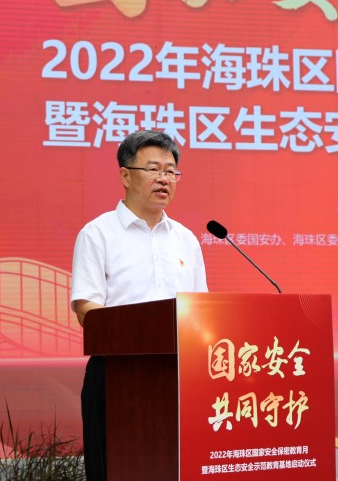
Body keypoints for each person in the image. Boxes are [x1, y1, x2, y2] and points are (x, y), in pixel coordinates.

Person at [70, 130, 208, 480]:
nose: (164, 179)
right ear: (125, 175)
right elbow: (86, 309)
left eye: (171, 171)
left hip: (179, 375)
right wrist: (143, 328)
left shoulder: (186, 240)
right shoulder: (97, 234)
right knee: (115, 469)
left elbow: (201, 309)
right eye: (153, 169)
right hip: (118, 375)